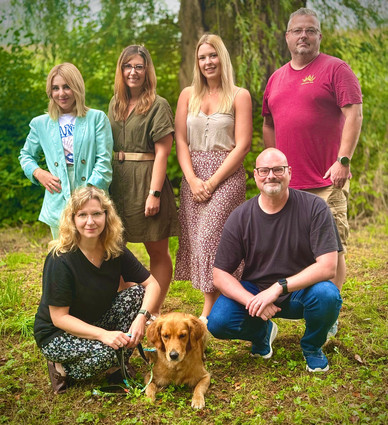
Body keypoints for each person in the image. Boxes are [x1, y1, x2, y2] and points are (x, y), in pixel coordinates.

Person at [207, 148, 343, 372]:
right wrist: (252, 300)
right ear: (255, 175)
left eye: (278, 169)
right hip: (257, 292)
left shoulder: (314, 208)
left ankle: (311, 346)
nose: (271, 175)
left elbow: (328, 267)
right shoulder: (240, 217)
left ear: (289, 172)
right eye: (264, 170)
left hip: (302, 292)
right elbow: (219, 275)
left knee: (328, 295)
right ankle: (262, 333)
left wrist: (279, 287)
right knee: (219, 321)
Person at [262, 7, 363, 295]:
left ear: (319, 36)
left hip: (325, 181)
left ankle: (329, 312)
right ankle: (302, 304)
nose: (303, 36)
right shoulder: (276, 78)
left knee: (332, 248)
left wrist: (343, 160)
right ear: (287, 38)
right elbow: (268, 123)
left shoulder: (336, 69)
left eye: (310, 30)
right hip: (288, 184)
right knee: (294, 247)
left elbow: (354, 114)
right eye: (297, 31)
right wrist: (276, 165)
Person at [34, 186, 161, 394]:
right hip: (57, 333)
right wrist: (104, 335)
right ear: (72, 219)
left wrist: (141, 317)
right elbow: (59, 318)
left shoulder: (114, 248)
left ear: (107, 216)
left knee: (137, 294)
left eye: (96, 214)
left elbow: (152, 285)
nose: (90, 221)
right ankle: (60, 368)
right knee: (109, 353)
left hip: (95, 319)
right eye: (82, 215)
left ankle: (114, 364)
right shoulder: (61, 259)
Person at [174, 34, 252, 322]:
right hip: (193, 175)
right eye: (202, 57)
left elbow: (243, 145)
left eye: (213, 55)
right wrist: (193, 180)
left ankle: (206, 315)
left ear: (223, 58)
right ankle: (224, 303)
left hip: (226, 175)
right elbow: (180, 141)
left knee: (210, 238)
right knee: (197, 239)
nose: (208, 62)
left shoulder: (239, 95)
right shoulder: (187, 95)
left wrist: (213, 181)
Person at [108, 45, 179, 315]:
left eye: (139, 66)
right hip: (118, 183)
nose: (133, 72)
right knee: (114, 248)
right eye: (128, 66)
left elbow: (163, 152)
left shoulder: (158, 104)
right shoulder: (114, 104)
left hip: (148, 180)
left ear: (147, 71)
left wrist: (155, 193)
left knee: (157, 250)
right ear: (121, 70)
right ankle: (125, 308)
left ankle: (152, 312)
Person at [19, 63, 113, 239]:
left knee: (95, 253)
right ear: (50, 92)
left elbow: (104, 160)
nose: (61, 93)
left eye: (67, 87)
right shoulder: (40, 124)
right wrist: (39, 173)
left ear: (77, 88)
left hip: (91, 190)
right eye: (56, 88)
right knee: (63, 254)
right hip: (58, 195)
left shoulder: (97, 118)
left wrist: (90, 194)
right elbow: (26, 155)